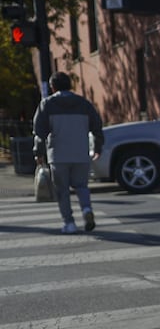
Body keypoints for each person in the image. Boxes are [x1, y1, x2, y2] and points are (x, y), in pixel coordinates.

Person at [33, 71, 104, 234]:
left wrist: (39, 152)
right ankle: (86, 209)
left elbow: (39, 132)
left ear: (53, 87)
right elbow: (97, 127)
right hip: (80, 152)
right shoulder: (84, 104)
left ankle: (69, 223)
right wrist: (98, 147)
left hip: (58, 154)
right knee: (82, 186)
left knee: (62, 190)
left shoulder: (47, 105)